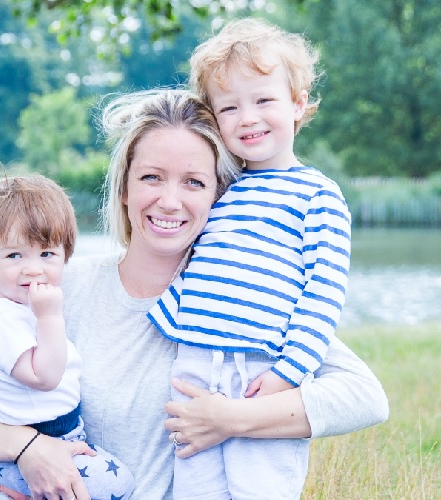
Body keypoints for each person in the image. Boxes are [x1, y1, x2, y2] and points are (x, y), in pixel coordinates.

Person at [0, 89, 389, 500]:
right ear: (124, 187)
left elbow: (364, 397)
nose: (169, 200)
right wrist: (30, 449)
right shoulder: (62, 288)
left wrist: (232, 418)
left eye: (194, 182)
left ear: (218, 196)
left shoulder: (243, 298)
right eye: (151, 177)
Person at [147, 17, 352, 499]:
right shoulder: (220, 188)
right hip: (197, 361)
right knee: (195, 485)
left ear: (298, 105)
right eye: (230, 107)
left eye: (264, 100)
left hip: (263, 370)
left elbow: (323, 294)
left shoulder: (317, 195)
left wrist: (289, 372)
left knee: (260, 487)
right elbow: (198, 263)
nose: (248, 117)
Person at [0, 175, 134, 500]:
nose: (32, 269)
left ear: (66, 255)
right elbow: (44, 377)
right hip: (45, 434)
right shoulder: (5, 322)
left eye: (47, 254)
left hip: (21, 434)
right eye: (15, 256)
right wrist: (49, 317)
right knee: (118, 484)